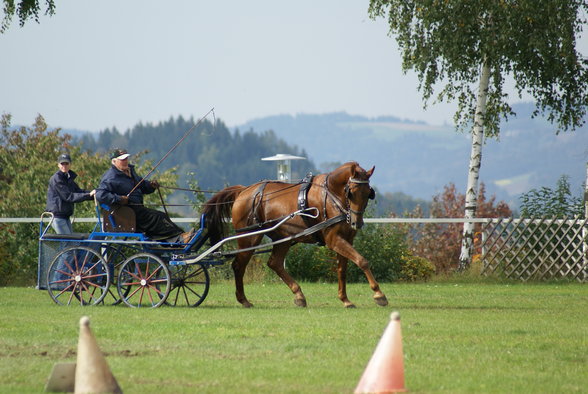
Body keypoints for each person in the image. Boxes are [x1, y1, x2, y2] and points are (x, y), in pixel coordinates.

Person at [95, 148, 193, 242]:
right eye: (122, 160)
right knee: (159, 217)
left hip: (137, 210)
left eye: (126, 158)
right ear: (114, 161)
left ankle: (178, 239)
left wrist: (150, 185)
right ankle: (180, 238)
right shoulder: (110, 177)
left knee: (161, 216)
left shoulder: (130, 172)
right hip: (127, 214)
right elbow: (100, 195)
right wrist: (119, 199)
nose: (125, 161)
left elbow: (141, 185)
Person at [46, 153, 96, 234]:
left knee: (70, 242)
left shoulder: (68, 178)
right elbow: (68, 196)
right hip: (57, 216)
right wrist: (88, 195)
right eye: (62, 164)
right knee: (68, 243)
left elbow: (78, 191)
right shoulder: (57, 179)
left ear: (70, 164)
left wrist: (93, 194)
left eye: (66, 163)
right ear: (58, 165)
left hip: (65, 216)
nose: (64, 166)